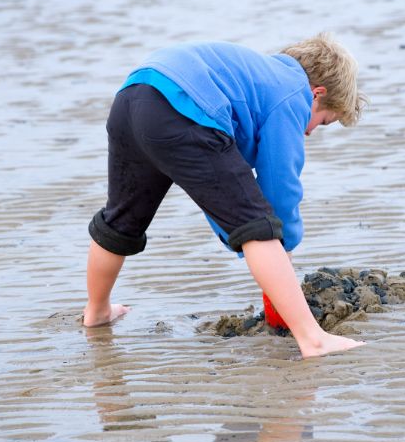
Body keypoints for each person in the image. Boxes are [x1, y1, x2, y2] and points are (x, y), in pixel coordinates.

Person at [83, 32, 367, 358]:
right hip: (182, 106)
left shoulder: (257, 74)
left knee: (121, 218)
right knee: (257, 223)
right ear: (317, 94)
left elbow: (217, 189)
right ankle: (313, 340)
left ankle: (97, 312)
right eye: (323, 121)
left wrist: (241, 231)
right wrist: (280, 242)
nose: (309, 130)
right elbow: (280, 186)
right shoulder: (293, 94)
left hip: (132, 97)